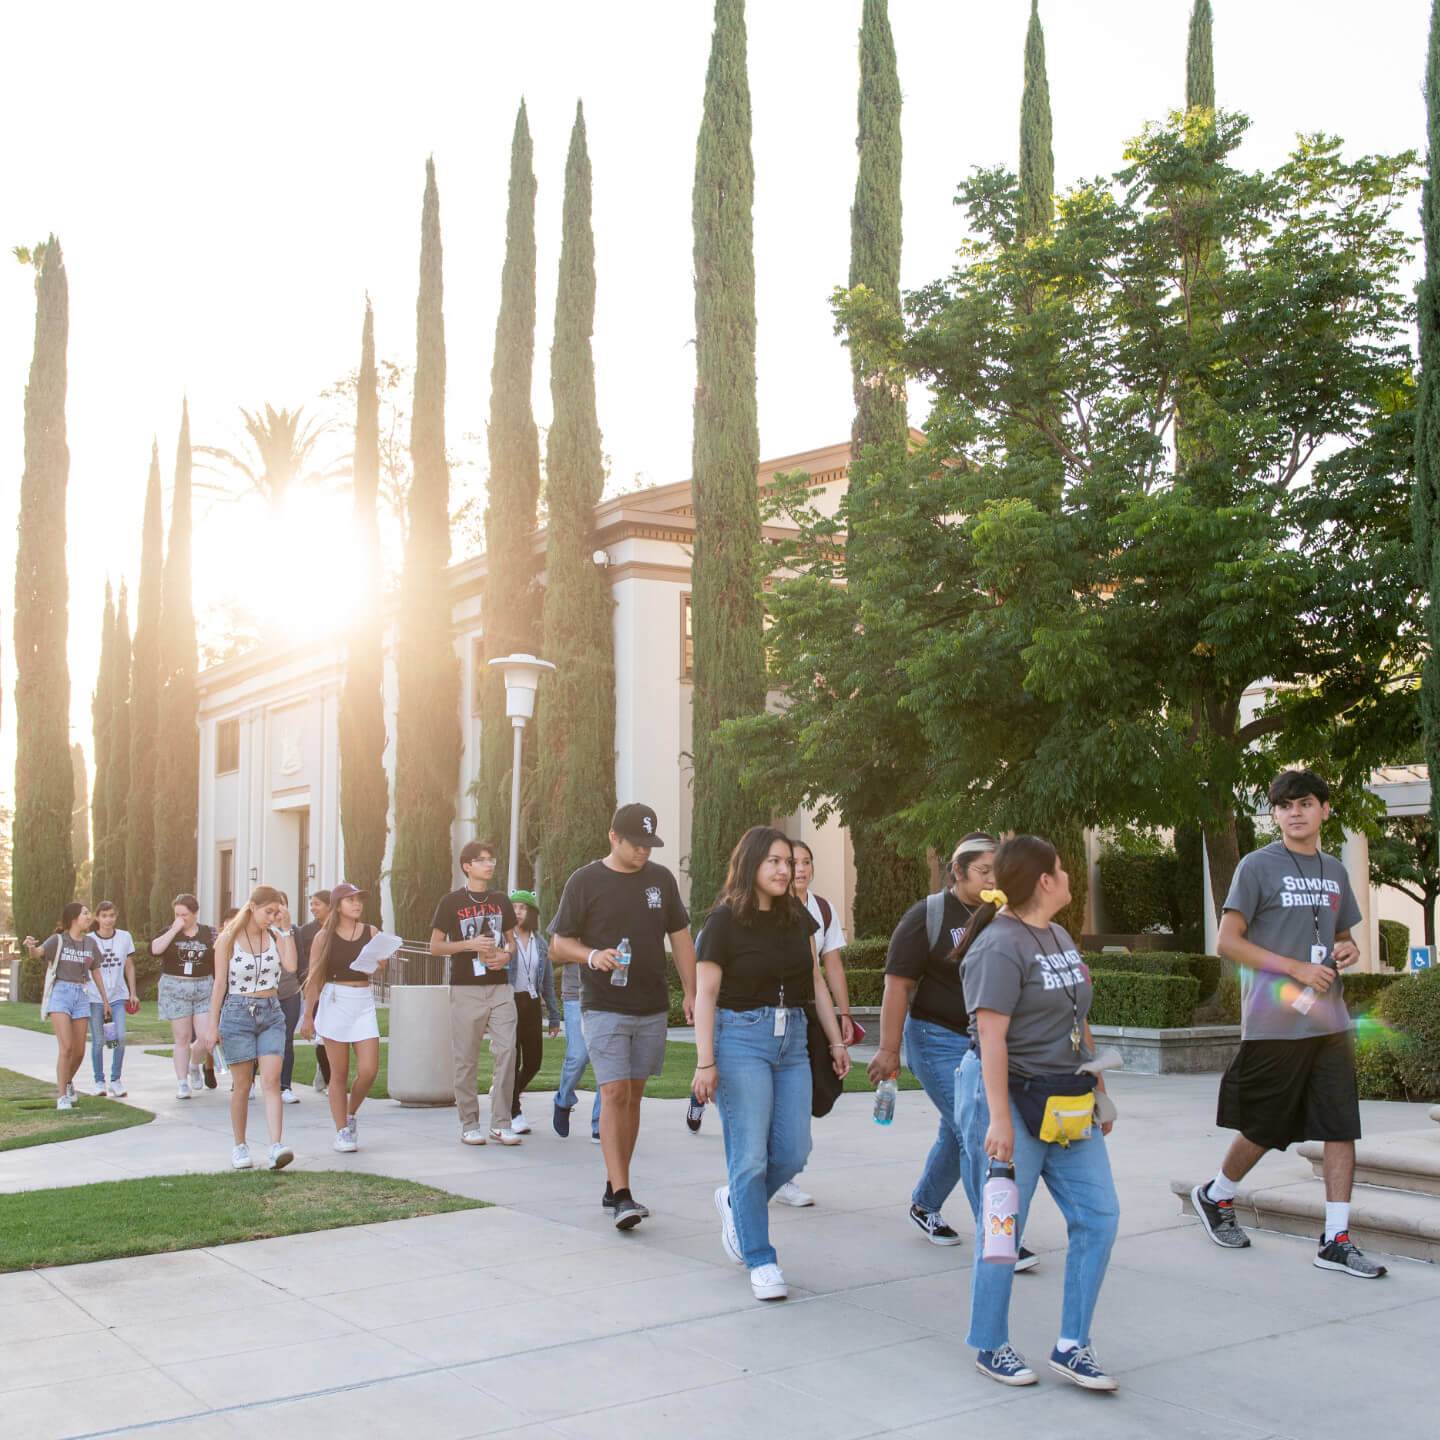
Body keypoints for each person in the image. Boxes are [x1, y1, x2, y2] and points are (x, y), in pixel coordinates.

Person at [1190, 769, 1385, 1279]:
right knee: (1265, 1125)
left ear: (1324, 810)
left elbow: (1342, 934)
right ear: (1275, 815)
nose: (1294, 813)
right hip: (1275, 1021)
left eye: (1304, 803)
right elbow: (1228, 942)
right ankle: (1216, 1194)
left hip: (1330, 1022)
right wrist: (1296, 967)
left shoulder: (1336, 871)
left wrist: (1349, 947)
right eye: (1284, 805)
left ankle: (1335, 1239)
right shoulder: (1257, 866)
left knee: (1341, 1125)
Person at [956, 835, 1119, 1391]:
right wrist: (999, 1121)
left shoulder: (1058, 935)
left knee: (1100, 1216)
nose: (1069, 876)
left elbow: (1079, 1019)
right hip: (1014, 1104)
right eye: (1062, 869)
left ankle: (1074, 1344)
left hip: (1070, 1102)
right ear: (1044, 880)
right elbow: (992, 1040)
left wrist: (1099, 1086)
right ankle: (990, 1343)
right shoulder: (1000, 945)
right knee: (1004, 1232)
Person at [693, 828, 849, 1301]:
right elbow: (706, 995)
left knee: (794, 1150)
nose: (785, 870)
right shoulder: (722, 922)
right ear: (751, 865)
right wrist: (705, 1062)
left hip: (794, 1041)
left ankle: (737, 1202)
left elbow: (817, 983)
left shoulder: (796, 918)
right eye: (774, 862)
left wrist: (836, 1037)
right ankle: (760, 1257)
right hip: (741, 1039)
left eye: (789, 861)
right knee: (751, 1156)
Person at [868, 833, 1037, 1270]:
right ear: (956, 872)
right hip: (935, 1038)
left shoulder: (1005, 911)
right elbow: (897, 985)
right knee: (976, 1132)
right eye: (984, 871)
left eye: (997, 871)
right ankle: (998, 1236)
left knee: (954, 1129)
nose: (992, 879)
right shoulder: (928, 916)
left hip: (983, 1040)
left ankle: (924, 1204)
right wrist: (888, 1050)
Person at [549, 803, 697, 1230]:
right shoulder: (585, 881)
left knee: (633, 1095)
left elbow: (682, 939)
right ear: (613, 837)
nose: (644, 852)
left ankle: (615, 1183)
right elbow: (559, 944)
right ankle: (624, 1195)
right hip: (603, 1005)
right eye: (636, 844)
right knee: (613, 1093)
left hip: (650, 1006)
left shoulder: (661, 880)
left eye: (650, 845)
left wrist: (690, 992)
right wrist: (592, 955)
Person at [429, 840, 521, 1146]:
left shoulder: (501, 900)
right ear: (467, 866)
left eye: (492, 859)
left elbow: (512, 942)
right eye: (482, 860)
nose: (489, 864)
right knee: (466, 1059)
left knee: (508, 1051)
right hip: (466, 988)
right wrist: (469, 945)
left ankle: (501, 1122)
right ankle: (469, 1122)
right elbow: (435, 946)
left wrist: (506, 956)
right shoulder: (451, 902)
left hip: (500, 986)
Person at [209, 885, 297, 1170]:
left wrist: (285, 929)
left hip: (272, 1012)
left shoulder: (275, 935)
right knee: (243, 1086)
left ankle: (275, 1145)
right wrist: (212, 1025)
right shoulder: (228, 939)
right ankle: (240, 1145)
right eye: (267, 911)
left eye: (276, 912)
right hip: (237, 1013)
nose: (271, 917)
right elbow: (219, 984)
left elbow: (292, 966)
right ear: (252, 907)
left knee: (271, 1081)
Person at [300, 882, 384, 1152]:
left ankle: (350, 1113)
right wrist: (308, 1017)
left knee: (369, 1070)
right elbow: (315, 978)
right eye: (350, 900)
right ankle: (342, 1131)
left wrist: (381, 964)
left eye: (359, 899)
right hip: (335, 1001)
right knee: (339, 1073)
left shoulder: (371, 932)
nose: (357, 904)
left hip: (363, 1001)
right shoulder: (323, 937)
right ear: (337, 905)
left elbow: (378, 969)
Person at [24, 903, 110, 1109]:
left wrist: (105, 1000)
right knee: (67, 1048)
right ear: (74, 918)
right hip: (61, 994)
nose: (89, 917)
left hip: (82, 994)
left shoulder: (90, 943)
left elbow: (96, 971)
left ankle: (67, 1081)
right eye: (85, 913)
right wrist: (30, 947)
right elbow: (38, 954)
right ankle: (62, 1096)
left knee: (79, 1051)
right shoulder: (58, 940)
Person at [152, 894, 219, 1100]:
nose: (181, 918)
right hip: (175, 987)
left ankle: (194, 1065)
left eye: (185, 914)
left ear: (195, 913)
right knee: (181, 1038)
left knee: (205, 1037)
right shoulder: (169, 932)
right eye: (177, 914)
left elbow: (220, 957)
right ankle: (182, 1082)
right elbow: (155, 949)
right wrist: (174, 929)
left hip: (202, 987)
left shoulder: (209, 933)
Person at [507, 890, 560, 1135]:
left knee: (534, 1061)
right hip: (508, 1003)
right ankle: (513, 1111)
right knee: (512, 1060)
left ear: (531, 912)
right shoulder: (504, 939)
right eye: (514, 907)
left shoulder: (540, 943)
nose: (517, 912)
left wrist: (554, 1015)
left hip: (531, 1003)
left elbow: (547, 982)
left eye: (522, 908)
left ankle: (508, 1095)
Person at [552, 912, 603, 1144]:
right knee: (579, 1056)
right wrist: (583, 951)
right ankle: (563, 1100)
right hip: (576, 994)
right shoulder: (574, 911)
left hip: (608, 996)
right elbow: (553, 951)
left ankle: (601, 1123)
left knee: (608, 1061)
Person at [85, 900, 137, 1097]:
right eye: (104, 916)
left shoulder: (125, 937)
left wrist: (132, 992)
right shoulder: (88, 939)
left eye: (112, 915)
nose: (108, 920)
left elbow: (129, 965)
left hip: (118, 997)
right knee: (99, 1041)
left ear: (116, 917)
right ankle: (99, 1081)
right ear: (97, 917)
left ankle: (115, 1079)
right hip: (95, 998)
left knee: (118, 1039)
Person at [295, 890, 333, 1094]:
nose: (312, 908)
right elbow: (302, 961)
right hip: (315, 989)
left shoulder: (339, 929)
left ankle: (326, 1071)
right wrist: (307, 984)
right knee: (321, 1037)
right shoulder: (306, 931)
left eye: (317, 904)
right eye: (311, 904)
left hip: (337, 989)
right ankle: (328, 1078)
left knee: (331, 1037)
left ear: (330, 905)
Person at [273, 892, 305, 1104]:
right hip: (265, 995)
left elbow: (300, 961)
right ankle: (248, 1082)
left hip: (290, 992)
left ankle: (285, 1086)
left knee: (286, 1040)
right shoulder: (260, 931)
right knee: (260, 1040)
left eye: (281, 906)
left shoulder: (294, 932)